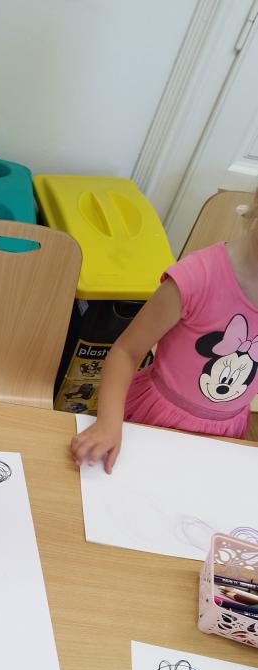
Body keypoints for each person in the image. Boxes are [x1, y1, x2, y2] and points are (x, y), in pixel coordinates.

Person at [71, 191, 258, 473]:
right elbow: (125, 352)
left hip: (227, 432)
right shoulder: (196, 277)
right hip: (154, 419)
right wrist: (108, 423)